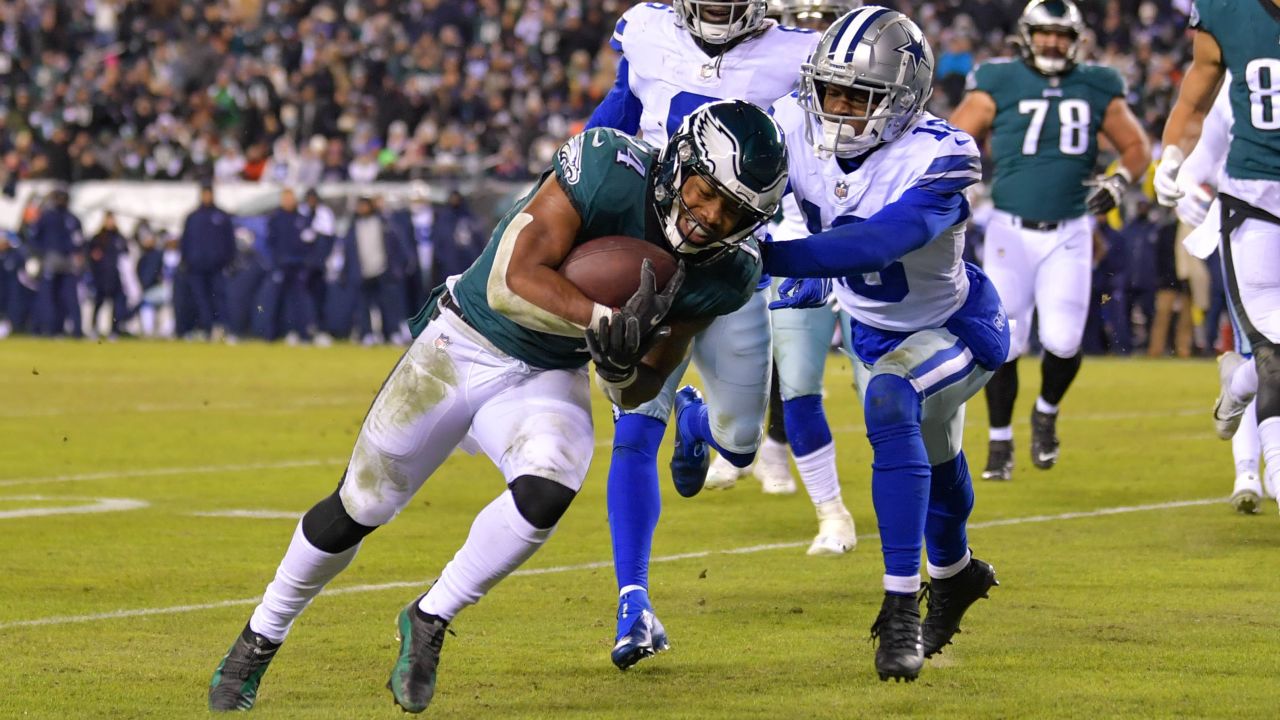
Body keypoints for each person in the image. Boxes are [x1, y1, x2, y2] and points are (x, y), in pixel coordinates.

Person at [206, 100, 789, 713]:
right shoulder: (607, 169)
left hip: (547, 373)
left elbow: (641, 385)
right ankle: (259, 637)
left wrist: (620, 366)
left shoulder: (727, 271)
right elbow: (510, 281)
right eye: (705, 193)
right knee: (362, 505)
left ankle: (430, 615)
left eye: (734, 212)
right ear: (679, 166)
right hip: (463, 343)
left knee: (551, 483)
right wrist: (600, 319)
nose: (710, 218)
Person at [586, 0, 849, 671]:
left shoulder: (797, 54)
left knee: (738, 446)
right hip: (648, 250)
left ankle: (699, 421)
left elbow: (817, 163)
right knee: (634, 425)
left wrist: (815, 249)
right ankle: (633, 602)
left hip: (733, 264)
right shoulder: (644, 28)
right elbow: (614, 121)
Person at [762, 7, 1007, 682]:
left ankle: (900, 608)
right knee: (937, 461)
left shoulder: (942, 152)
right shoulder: (791, 124)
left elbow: (876, 242)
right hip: (873, 330)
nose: (837, 108)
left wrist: (765, 260)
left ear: (904, 98)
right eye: (829, 90)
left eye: (858, 94)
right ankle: (955, 576)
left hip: (956, 326)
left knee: (894, 403)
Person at [948, 0, 1150, 481]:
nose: (1052, 42)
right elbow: (955, 136)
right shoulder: (999, 79)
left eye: (1061, 34)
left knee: (1062, 340)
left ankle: (1046, 411)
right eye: (1045, 33)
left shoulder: (1098, 84)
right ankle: (1000, 443)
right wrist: (964, 180)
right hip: (1009, 229)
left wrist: (1119, 181)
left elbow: (1137, 147)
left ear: (1076, 38)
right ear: (1026, 35)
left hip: (1071, 230)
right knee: (1007, 340)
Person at [1155, 0, 1280, 515]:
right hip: (1255, 205)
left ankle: (1238, 381)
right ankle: (1265, 466)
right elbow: (1195, 100)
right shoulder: (1228, 12)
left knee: (1268, 355)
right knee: (1274, 348)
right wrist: (1171, 157)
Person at [1172, 71, 1271, 512]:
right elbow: (1206, 140)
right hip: (1252, 227)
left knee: (1264, 362)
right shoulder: (1245, 70)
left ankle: (1237, 383)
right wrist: (1186, 182)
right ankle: (1248, 470)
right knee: (1267, 355)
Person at [340, 194, 412, 345]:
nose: (362, 209)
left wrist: (397, 267)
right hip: (362, 271)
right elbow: (348, 251)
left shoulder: (383, 223)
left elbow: (396, 246)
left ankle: (391, 332)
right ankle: (367, 333)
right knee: (364, 306)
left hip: (382, 269)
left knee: (387, 304)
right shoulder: (353, 227)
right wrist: (347, 271)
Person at [265, 188, 324, 345]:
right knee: (276, 300)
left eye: (290, 198)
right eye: (285, 198)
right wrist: (275, 263)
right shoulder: (275, 218)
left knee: (300, 301)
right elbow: (271, 243)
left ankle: (302, 333)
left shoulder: (302, 218)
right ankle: (273, 334)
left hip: (299, 265)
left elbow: (310, 242)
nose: (288, 202)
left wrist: (307, 263)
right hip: (281, 265)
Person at [180, 184, 237, 341]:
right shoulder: (192, 217)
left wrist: (229, 261)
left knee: (219, 298)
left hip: (218, 266)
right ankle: (206, 329)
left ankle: (225, 328)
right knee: (200, 299)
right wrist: (186, 260)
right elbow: (185, 241)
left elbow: (229, 241)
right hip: (196, 266)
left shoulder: (221, 216)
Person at [29, 186, 85, 337]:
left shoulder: (70, 218)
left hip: (66, 259)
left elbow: (79, 241)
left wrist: (78, 254)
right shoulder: (48, 217)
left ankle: (73, 330)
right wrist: (42, 254)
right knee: (48, 296)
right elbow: (34, 237)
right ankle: (48, 329)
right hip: (52, 257)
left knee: (68, 297)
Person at [86, 211, 129, 339]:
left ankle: (114, 330)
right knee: (98, 303)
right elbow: (90, 255)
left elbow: (126, 256)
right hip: (101, 277)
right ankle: (93, 328)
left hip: (115, 277)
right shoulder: (98, 238)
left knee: (116, 306)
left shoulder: (119, 238)